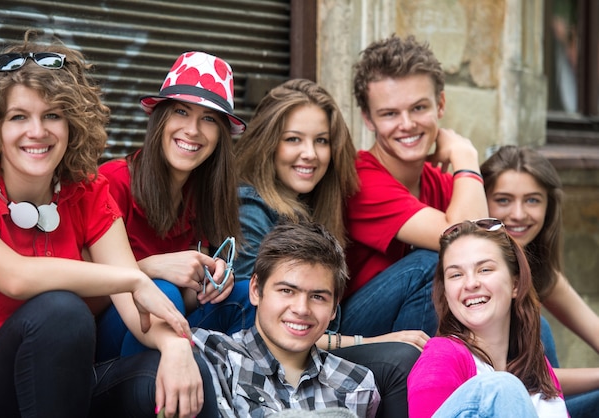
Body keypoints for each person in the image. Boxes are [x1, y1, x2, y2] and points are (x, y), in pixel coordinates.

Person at [0, 31, 217, 418]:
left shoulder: (86, 192)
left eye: (52, 115)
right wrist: (135, 277)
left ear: (72, 125)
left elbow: (131, 307)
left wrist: (175, 347)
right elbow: (14, 277)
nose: (37, 131)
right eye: (19, 117)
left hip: (66, 386)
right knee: (62, 311)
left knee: (186, 374)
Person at [234, 78, 423, 418]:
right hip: (282, 350)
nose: (310, 153)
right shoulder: (252, 208)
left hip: (323, 328)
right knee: (405, 342)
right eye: (294, 139)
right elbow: (268, 328)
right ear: (269, 144)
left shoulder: (320, 202)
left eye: (321, 141)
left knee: (426, 270)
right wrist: (373, 343)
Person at [98, 51, 254, 360]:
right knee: (160, 291)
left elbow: (189, 298)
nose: (193, 130)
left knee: (251, 294)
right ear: (160, 118)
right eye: (181, 112)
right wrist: (148, 269)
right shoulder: (112, 181)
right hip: (109, 339)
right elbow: (77, 291)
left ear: (221, 135)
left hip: (176, 324)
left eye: (208, 119)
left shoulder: (209, 192)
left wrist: (212, 282)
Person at [343, 34, 489, 338]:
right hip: (355, 335)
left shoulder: (439, 182)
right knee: (430, 264)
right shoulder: (360, 177)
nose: (407, 124)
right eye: (389, 113)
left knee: (520, 306)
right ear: (368, 119)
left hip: (414, 324)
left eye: (419, 108)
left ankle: (542, 386)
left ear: (440, 104)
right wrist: (466, 155)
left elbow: (487, 250)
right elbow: (469, 241)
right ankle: (417, 385)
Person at [192, 221, 381, 417]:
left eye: (318, 297)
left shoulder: (358, 385)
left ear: (334, 306)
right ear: (256, 290)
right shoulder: (213, 354)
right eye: (287, 291)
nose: (301, 309)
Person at [482, 145, 599, 417]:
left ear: (549, 206)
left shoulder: (541, 270)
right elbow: (521, 377)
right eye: (503, 200)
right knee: (542, 327)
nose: (519, 214)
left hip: (543, 405)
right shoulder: (473, 278)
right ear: (483, 200)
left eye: (533, 200)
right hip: (502, 407)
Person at [407, 219, 568, 417]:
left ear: (515, 284)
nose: (470, 283)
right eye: (456, 275)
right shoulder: (442, 355)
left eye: (485, 270)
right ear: (446, 294)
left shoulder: (538, 365)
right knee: (503, 387)